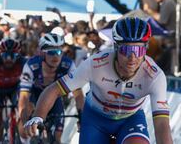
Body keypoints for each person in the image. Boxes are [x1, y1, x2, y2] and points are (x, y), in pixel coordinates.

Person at [24, 17, 173, 144]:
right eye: (126, 50)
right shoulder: (95, 64)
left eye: (139, 50)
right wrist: (38, 116)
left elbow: (161, 124)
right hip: (96, 118)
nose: (132, 58)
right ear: (115, 47)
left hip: (130, 119)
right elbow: (55, 89)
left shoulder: (154, 76)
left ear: (146, 49)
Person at [18, 33, 84, 144]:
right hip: (34, 96)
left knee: (57, 139)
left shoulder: (68, 65)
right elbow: (24, 97)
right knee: (25, 117)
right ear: (42, 54)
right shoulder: (31, 65)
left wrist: (82, 116)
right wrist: (24, 119)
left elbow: (78, 94)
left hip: (55, 99)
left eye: (59, 52)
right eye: (51, 52)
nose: (56, 57)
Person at [0, 38, 26, 144]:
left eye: (12, 56)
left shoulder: (24, 63)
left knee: (22, 111)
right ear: (0, 55)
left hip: (15, 87)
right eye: (5, 56)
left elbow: (26, 88)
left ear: (18, 56)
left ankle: (24, 139)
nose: (8, 59)